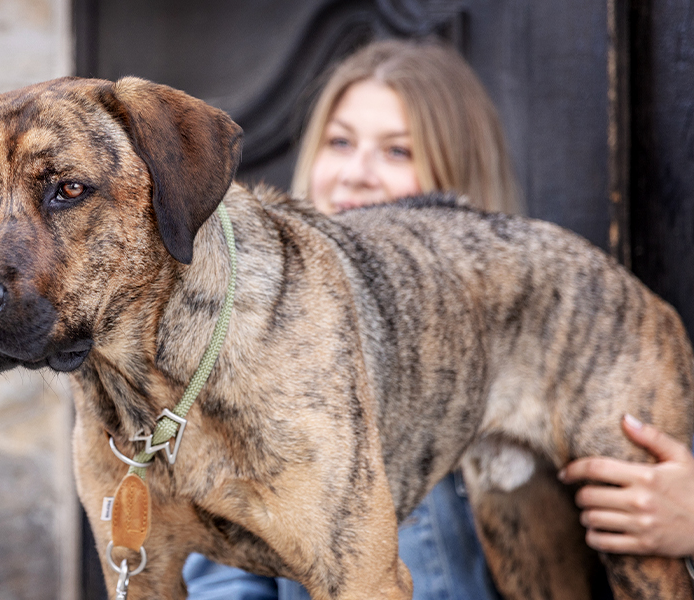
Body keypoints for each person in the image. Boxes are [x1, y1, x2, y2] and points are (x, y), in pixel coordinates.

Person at [182, 38, 694, 599]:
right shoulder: (235, 356)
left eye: (398, 152)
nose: (356, 173)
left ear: (455, 171)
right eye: (340, 141)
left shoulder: (553, 317)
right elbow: (222, 585)